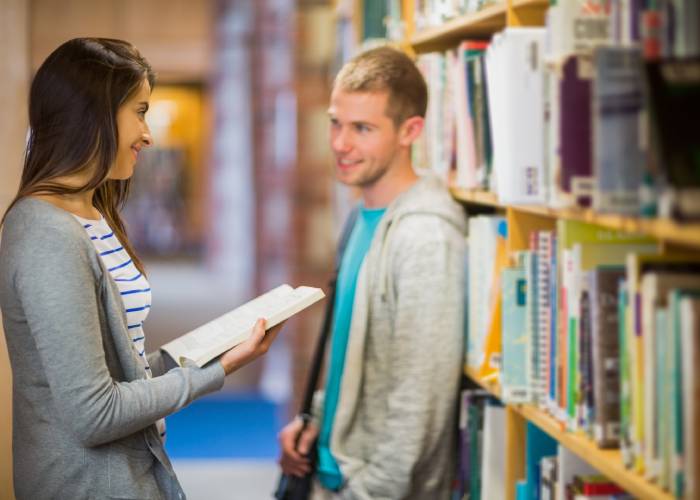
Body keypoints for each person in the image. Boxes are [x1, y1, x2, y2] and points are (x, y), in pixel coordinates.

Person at [0, 37, 282, 500]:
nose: (149, 135)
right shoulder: (47, 235)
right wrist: (218, 371)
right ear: (92, 115)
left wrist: (209, 350)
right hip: (87, 485)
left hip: (129, 473)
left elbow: (117, 368)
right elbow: (95, 412)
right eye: (141, 111)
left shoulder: (92, 213)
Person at [278, 46, 467, 499]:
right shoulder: (362, 217)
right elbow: (353, 353)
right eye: (335, 123)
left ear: (411, 131)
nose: (341, 144)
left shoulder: (424, 239)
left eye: (363, 128)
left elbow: (420, 402)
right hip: (332, 471)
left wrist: (368, 492)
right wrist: (315, 420)